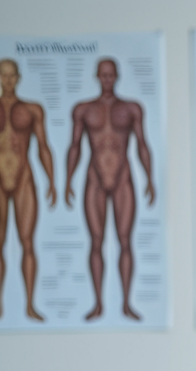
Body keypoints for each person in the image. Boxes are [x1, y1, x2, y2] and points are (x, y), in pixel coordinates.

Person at [66, 58, 155, 322]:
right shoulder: (83, 109)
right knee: (96, 242)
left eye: (111, 75)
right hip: (94, 177)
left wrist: (150, 177)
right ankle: (98, 304)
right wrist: (68, 179)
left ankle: (126, 303)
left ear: (116, 77)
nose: (107, 79)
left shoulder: (131, 108)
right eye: (103, 75)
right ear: (97, 76)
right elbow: (75, 146)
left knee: (125, 241)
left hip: (123, 177)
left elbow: (142, 144)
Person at [0, 58, 55, 322]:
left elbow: (44, 146)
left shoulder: (33, 110)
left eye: (12, 76)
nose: (7, 81)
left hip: (24, 179)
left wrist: (53, 181)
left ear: (18, 78)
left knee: (27, 243)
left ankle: (30, 305)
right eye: (3, 76)